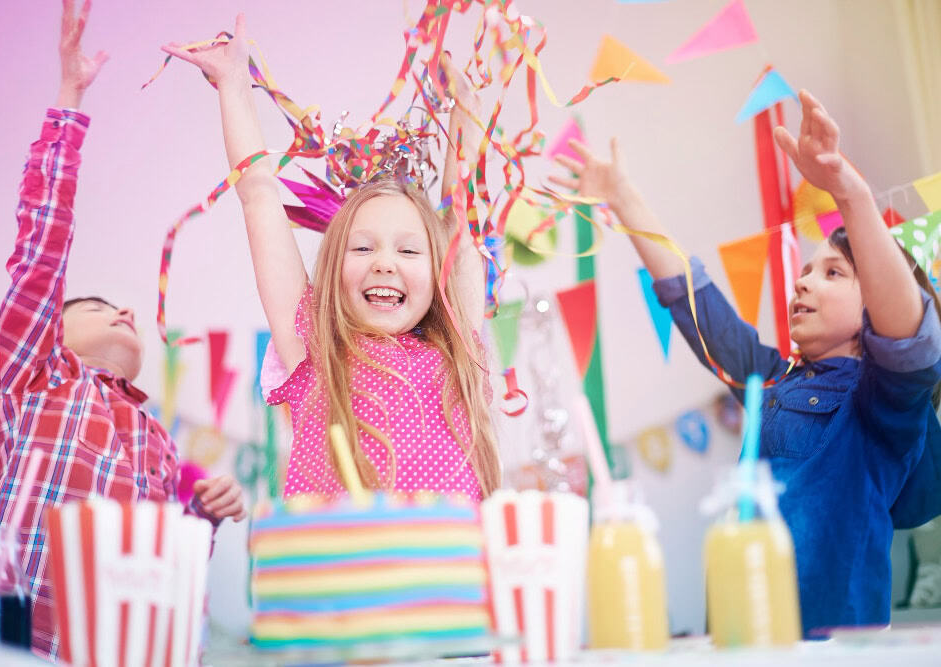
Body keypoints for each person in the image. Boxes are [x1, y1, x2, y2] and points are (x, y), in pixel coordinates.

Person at [550, 91, 941, 635]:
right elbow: (695, 304)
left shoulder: (882, 402)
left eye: (833, 273)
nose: (803, 280)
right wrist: (623, 197)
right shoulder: (775, 378)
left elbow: (910, 339)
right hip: (743, 637)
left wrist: (847, 191)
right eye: (807, 270)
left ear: (877, 299)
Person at [0, 1, 248, 657]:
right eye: (99, 304)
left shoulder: (157, 439)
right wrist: (68, 99)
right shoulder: (35, 376)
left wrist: (202, 520)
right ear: (52, 325)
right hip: (24, 641)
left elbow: (165, 564)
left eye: (123, 307)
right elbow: (40, 251)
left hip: (123, 647)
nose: (125, 310)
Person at [162, 15, 500, 501]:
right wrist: (234, 87)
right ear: (334, 271)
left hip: (449, 571)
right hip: (334, 570)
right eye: (363, 248)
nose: (385, 262)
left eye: (408, 250)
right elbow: (260, 200)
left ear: (438, 273)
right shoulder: (315, 346)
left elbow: (461, 225)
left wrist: (466, 109)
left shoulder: (457, 356)